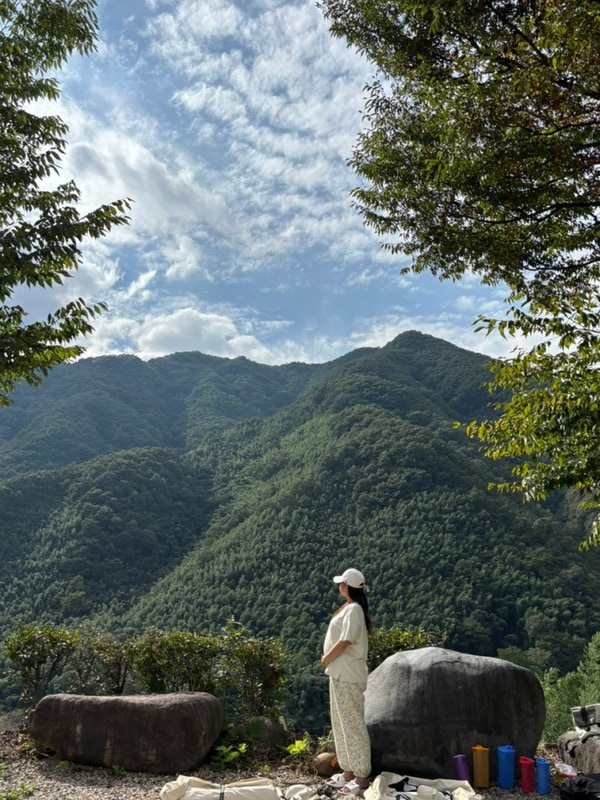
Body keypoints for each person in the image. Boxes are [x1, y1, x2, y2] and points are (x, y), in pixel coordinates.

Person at [321, 567, 373, 796]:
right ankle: (348, 770)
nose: (339, 586)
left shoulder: (353, 610)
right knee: (341, 723)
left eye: (342, 583)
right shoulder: (351, 608)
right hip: (340, 673)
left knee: (352, 724)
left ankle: (361, 775)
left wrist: (326, 658)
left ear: (348, 586)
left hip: (348, 674)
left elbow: (346, 640)